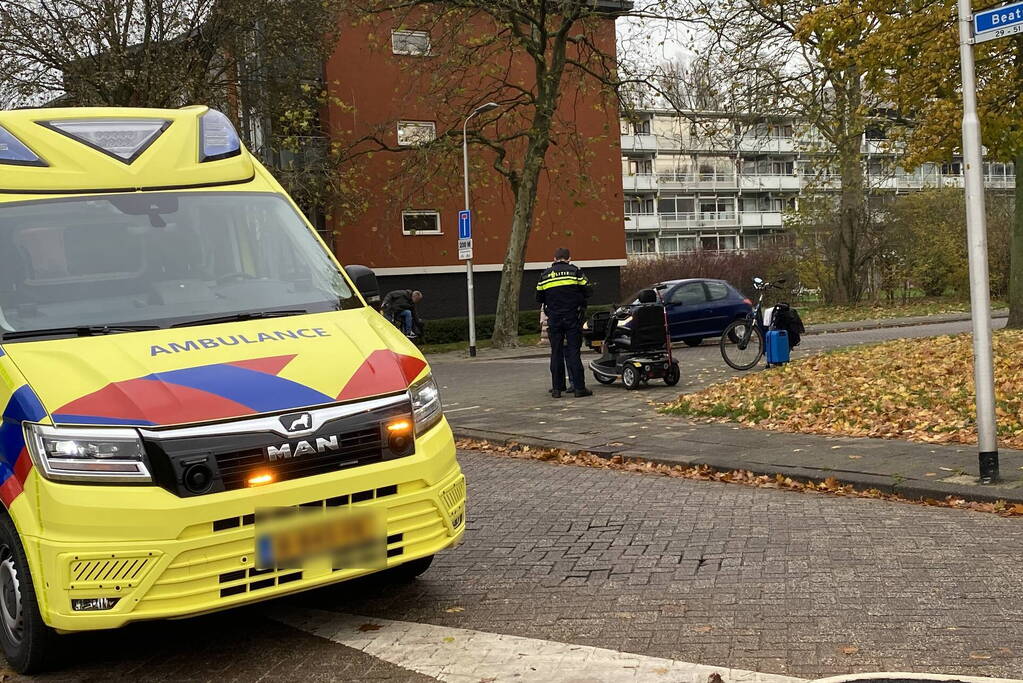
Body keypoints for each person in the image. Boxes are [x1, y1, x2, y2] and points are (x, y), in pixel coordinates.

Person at [536, 247, 592, 398]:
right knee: (574, 352)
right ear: (569, 258)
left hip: (554, 318)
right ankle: (579, 388)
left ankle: (556, 389)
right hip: (572, 317)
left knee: (556, 352)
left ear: (554, 258)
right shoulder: (575, 271)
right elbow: (588, 291)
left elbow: (539, 297)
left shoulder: (545, 275)